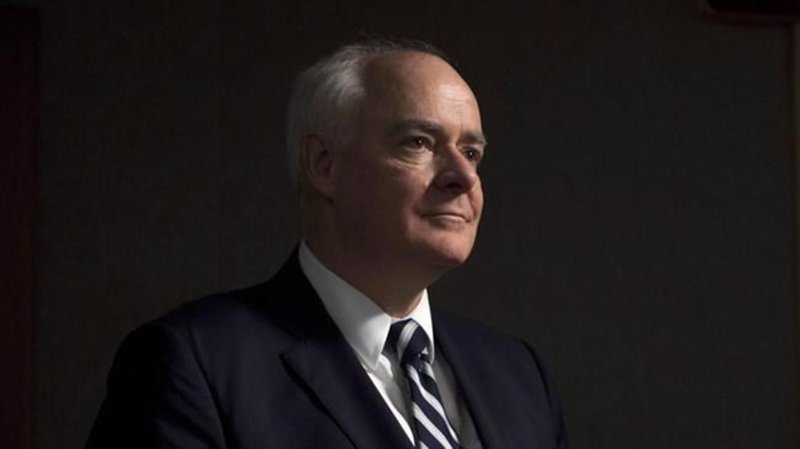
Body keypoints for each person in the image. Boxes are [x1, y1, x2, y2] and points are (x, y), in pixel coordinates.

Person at [86, 39, 568, 449]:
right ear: (324, 165)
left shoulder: (519, 375)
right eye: (419, 142)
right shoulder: (193, 364)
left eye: (471, 152)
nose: (463, 177)